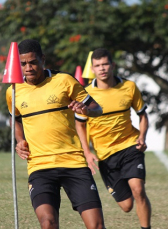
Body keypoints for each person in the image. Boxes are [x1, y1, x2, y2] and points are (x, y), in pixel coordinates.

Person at [6, 39, 105, 229]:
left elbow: (97, 108)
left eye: (33, 62)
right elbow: (15, 119)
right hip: (40, 167)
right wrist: (20, 140)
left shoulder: (64, 81)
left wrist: (85, 109)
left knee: (96, 226)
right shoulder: (13, 91)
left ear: (43, 59)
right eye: (23, 63)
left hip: (74, 163)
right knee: (48, 223)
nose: (28, 67)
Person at [75, 48, 151, 229]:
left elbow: (142, 115)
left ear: (112, 65)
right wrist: (87, 152)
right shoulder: (86, 94)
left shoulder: (129, 87)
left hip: (130, 146)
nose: (102, 68)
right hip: (106, 156)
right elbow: (80, 124)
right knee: (126, 206)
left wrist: (142, 136)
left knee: (138, 190)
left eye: (105, 64)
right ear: (92, 68)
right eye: (98, 65)